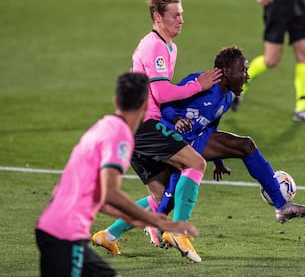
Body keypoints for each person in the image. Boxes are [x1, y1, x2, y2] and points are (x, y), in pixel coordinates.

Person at [93, 46, 305, 257]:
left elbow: (210, 127)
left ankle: (109, 235)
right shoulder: (201, 83)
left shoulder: (227, 98)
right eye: (243, 70)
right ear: (227, 72)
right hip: (158, 138)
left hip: (180, 143)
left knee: (164, 196)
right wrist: (177, 118)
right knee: (167, 197)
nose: (247, 76)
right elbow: (165, 103)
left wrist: (217, 159)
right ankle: (163, 227)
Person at [92, 0, 221, 263]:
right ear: (157, 16)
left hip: (136, 127)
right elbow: (161, 93)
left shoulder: (169, 46)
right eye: (175, 15)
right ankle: (179, 232)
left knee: (161, 197)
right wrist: (197, 86)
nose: (181, 20)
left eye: (182, 14)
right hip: (142, 126)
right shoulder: (154, 46)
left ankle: (109, 235)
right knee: (196, 164)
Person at [35, 72, 199, 277]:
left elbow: (94, 194)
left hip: (55, 226)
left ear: (116, 100)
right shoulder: (120, 136)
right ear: (145, 105)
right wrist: (160, 222)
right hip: (64, 234)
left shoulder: (102, 127)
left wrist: (129, 216)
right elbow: (111, 192)